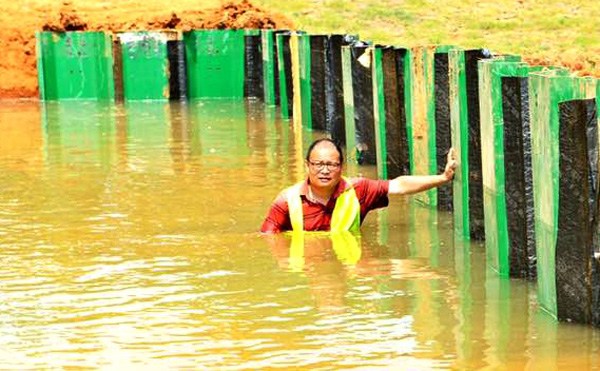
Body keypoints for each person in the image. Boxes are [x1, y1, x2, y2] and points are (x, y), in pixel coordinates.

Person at [260, 138, 457, 233]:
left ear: (341, 167)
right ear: (307, 165)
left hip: (349, 265)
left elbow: (398, 185)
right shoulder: (287, 200)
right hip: (309, 266)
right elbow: (268, 240)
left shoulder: (357, 190)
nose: (325, 170)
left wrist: (443, 177)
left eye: (332, 165)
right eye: (319, 164)